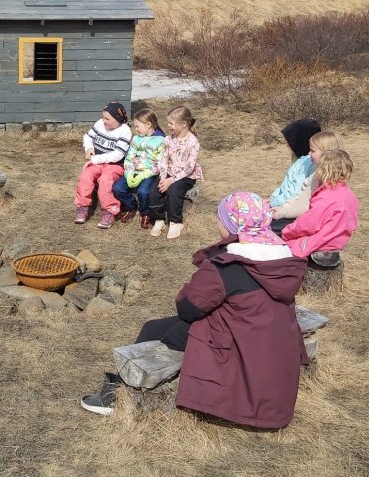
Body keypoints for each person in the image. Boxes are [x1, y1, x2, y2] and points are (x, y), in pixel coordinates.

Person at [80, 192, 309, 429]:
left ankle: (120, 396)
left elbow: (188, 308)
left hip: (240, 344)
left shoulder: (228, 265)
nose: (217, 223)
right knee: (162, 328)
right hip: (272, 345)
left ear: (232, 224)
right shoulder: (281, 258)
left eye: (221, 218)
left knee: (154, 330)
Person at [282, 149, 359, 258]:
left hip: (319, 243)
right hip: (338, 242)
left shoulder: (327, 197)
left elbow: (309, 224)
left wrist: (287, 231)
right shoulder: (350, 195)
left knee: (278, 249)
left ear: (323, 171)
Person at [270, 131, 344, 234]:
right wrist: (282, 208)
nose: (309, 153)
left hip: (308, 222)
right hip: (302, 218)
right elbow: (301, 197)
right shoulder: (316, 173)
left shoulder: (323, 179)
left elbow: (305, 206)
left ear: (325, 153)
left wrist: (280, 214)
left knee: (269, 230)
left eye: (312, 151)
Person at [74, 101, 132, 229]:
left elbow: (117, 155)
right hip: (97, 161)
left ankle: (109, 211)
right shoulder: (100, 124)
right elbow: (88, 137)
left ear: (117, 119)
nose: (104, 120)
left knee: (105, 180)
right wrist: (89, 148)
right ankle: (82, 207)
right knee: (86, 175)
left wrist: (95, 160)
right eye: (103, 117)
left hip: (114, 164)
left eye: (107, 118)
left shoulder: (125, 131)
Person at [148, 106, 203, 239]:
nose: (168, 125)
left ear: (183, 124)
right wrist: (162, 178)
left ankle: (175, 222)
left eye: (171, 123)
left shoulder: (193, 142)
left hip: (186, 176)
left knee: (174, 191)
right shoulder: (168, 139)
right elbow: (164, 160)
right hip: (169, 172)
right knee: (154, 190)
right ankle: (159, 219)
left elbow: (189, 168)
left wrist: (171, 180)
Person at [112, 109, 165, 229]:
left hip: (149, 173)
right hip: (133, 170)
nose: (135, 129)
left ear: (148, 124)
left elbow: (160, 162)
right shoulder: (136, 139)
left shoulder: (161, 141)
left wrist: (145, 174)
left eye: (137, 126)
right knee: (117, 188)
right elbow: (129, 156)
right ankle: (131, 206)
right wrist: (129, 171)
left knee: (144, 191)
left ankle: (145, 213)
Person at [269, 118, 321, 213]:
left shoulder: (307, 163)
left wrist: (273, 202)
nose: (288, 145)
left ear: (300, 141)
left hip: (290, 210)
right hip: (284, 206)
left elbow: (294, 193)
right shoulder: (301, 162)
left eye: (290, 141)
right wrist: (273, 198)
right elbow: (286, 187)